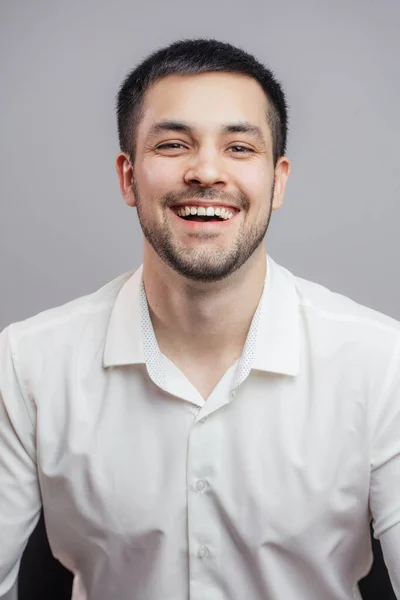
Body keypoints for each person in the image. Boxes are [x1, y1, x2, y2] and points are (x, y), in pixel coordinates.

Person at [0, 38, 399, 600]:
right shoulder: (27, 362)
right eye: (172, 144)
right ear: (128, 176)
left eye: (239, 147)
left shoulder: (382, 362)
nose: (206, 171)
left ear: (278, 181)